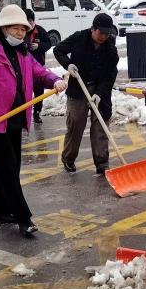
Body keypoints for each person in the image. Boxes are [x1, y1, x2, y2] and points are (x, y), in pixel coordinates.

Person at [0, 4, 65, 238]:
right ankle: (23, 218)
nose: (20, 33)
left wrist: (55, 80)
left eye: (23, 29)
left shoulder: (23, 53)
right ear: (3, 28)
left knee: (9, 168)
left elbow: (38, 72)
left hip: (15, 119)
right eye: (15, 28)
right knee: (8, 170)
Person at [53, 12, 120, 174]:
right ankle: (68, 158)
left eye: (107, 34)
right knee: (76, 124)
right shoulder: (79, 38)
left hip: (100, 90)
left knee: (100, 127)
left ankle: (102, 163)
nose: (104, 37)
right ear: (93, 29)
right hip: (78, 88)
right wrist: (68, 65)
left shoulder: (110, 49)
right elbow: (58, 50)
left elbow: (110, 75)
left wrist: (99, 93)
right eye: (101, 33)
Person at [24, 7, 52, 124]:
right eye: (27, 22)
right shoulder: (21, 31)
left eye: (30, 22)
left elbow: (49, 44)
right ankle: (23, 115)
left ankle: (37, 113)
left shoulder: (40, 31)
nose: (29, 25)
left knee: (39, 92)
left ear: (33, 21)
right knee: (24, 92)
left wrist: (39, 46)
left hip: (39, 67)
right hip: (24, 68)